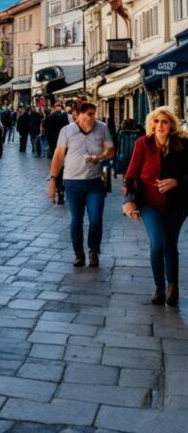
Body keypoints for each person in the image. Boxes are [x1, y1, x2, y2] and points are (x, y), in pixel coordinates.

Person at [122, 106, 188, 306]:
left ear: (171, 125)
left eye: (165, 122)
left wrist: (177, 181)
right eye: (156, 121)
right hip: (149, 203)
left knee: (170, 245)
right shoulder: (143, 143)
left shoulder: (183, 144)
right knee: (157, 244)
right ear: (151, 123)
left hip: (177, 204)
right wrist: (129, 201)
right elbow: (131, 175)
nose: (160, 126)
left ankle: (172, 287)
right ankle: (159, 286)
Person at [48, 102, 115, 267]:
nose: (93, 117)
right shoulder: (67, 130)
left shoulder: (102, 128)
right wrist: (52, 180)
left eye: (94, 113)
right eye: (89, 114)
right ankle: (78, 253)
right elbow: (58, 156)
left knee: (96, 219)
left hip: (95, 182)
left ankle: (93, 250)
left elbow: (111, 150)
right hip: (72, 182)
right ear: (78, 114)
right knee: (76, 220)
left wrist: (98, 157)